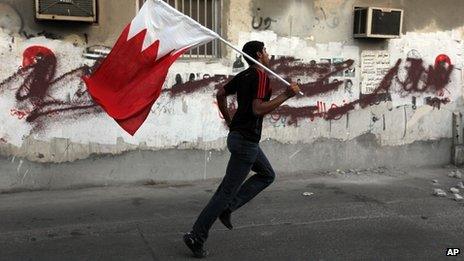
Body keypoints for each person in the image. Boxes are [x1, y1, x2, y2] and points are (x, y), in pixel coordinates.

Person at [183, 41, 300, 258]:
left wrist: (230, 121)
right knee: (224, 192)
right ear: (258, 54)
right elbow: (257, 109)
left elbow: (220, 94)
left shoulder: (245, 75)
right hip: (246, 142)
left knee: (267, 174)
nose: (268, 54)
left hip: (240, 138)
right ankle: (196, 235)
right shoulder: (260, 75)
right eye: (265, 51)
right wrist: (286, 95)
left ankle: (229, 207)